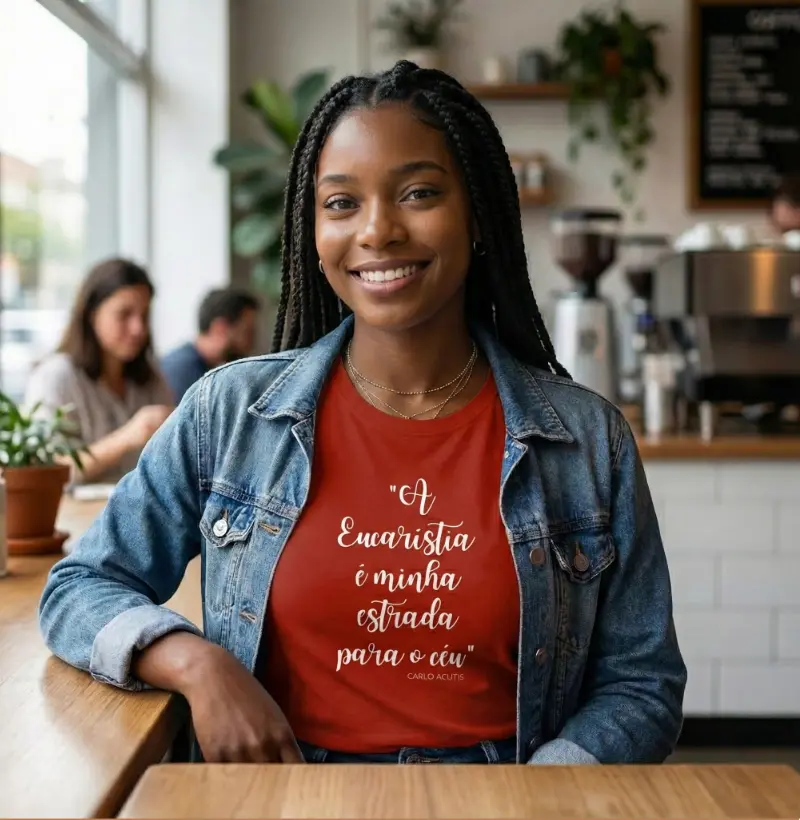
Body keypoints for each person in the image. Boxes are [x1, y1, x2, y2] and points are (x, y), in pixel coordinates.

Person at [39, 62, 686, 766]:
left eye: (418, 193)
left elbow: (641, 684)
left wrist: (539, 796)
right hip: (284, 802)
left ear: (478, 215)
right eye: (342, 203)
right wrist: (195, 663)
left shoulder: (589, 443)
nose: (377, 231)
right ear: (311, 231)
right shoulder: (228, 416)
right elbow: (79, 587)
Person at [25, 258, 173, 484]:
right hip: (77, 517)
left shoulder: (151, 378)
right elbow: (46, 470)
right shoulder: (55, 377)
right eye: (124, 314)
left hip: (141, 516)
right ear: (92, 314)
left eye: (144, 316)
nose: (138, 329)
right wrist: (127, 436)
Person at [160, 287, 260, 402]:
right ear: (220, 329)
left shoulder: (209, 369)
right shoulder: (181, 369)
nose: (252, 342)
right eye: (247, 332)